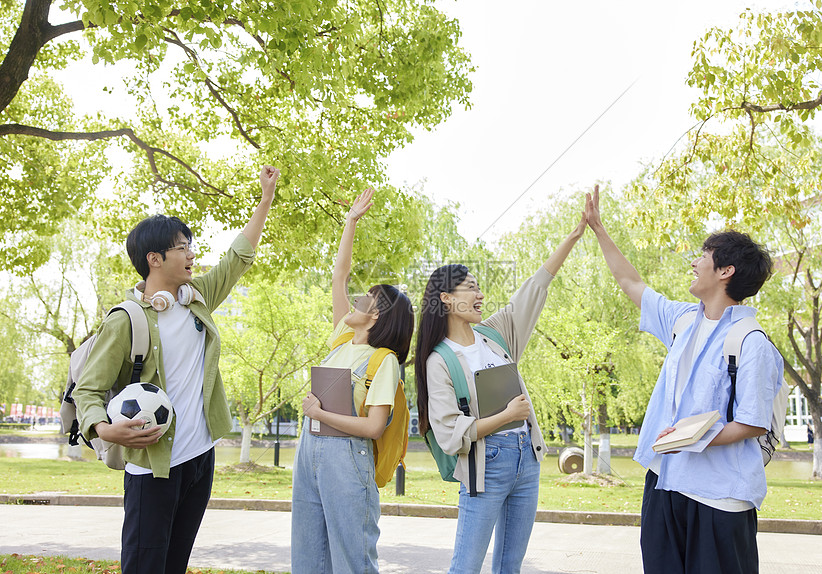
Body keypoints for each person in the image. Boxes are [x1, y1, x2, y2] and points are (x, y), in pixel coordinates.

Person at [72, 166, 280, 574]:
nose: (191, 254)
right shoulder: (125, 319)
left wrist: (265, 199)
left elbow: (238, 257)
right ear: (155, 258)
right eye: (183, 247)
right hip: (152, 465)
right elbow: (88, 390)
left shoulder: (196, 297)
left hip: (200, 457)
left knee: (175, 564)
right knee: (144, 565)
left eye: (190, 246)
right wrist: (101, 429)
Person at [584, 188, 783, 574]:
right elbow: (630, 282)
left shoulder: (751, 342)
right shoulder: (683, 320)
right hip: (664, 481)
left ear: (726, 271)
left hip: (719, 496)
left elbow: (753, 420)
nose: (694, 263)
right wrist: (599, 229)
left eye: (703, 257)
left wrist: (691, 437)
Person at [414, 213, 587, 574]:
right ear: (446, 298)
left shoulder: (494, 335)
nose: (480, 295)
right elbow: (450, 435)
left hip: (527, 459)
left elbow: (533, 291)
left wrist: (571, 238)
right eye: (471, 288)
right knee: (467, 566)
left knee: (511, 565)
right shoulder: (439, 361)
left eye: (479, 289)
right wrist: (507, 416)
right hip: (486, 465)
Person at [291, 188, 414, 574]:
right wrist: (350, 222)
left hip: (346, 457)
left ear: (377, 316)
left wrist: (321, 414)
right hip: (309, 452)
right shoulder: (343, 339)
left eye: (366, 299)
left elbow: (375, 427)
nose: (355, 300)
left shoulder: (384, 361)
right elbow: (339, 275)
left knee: (352, 562)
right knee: (309, 558)